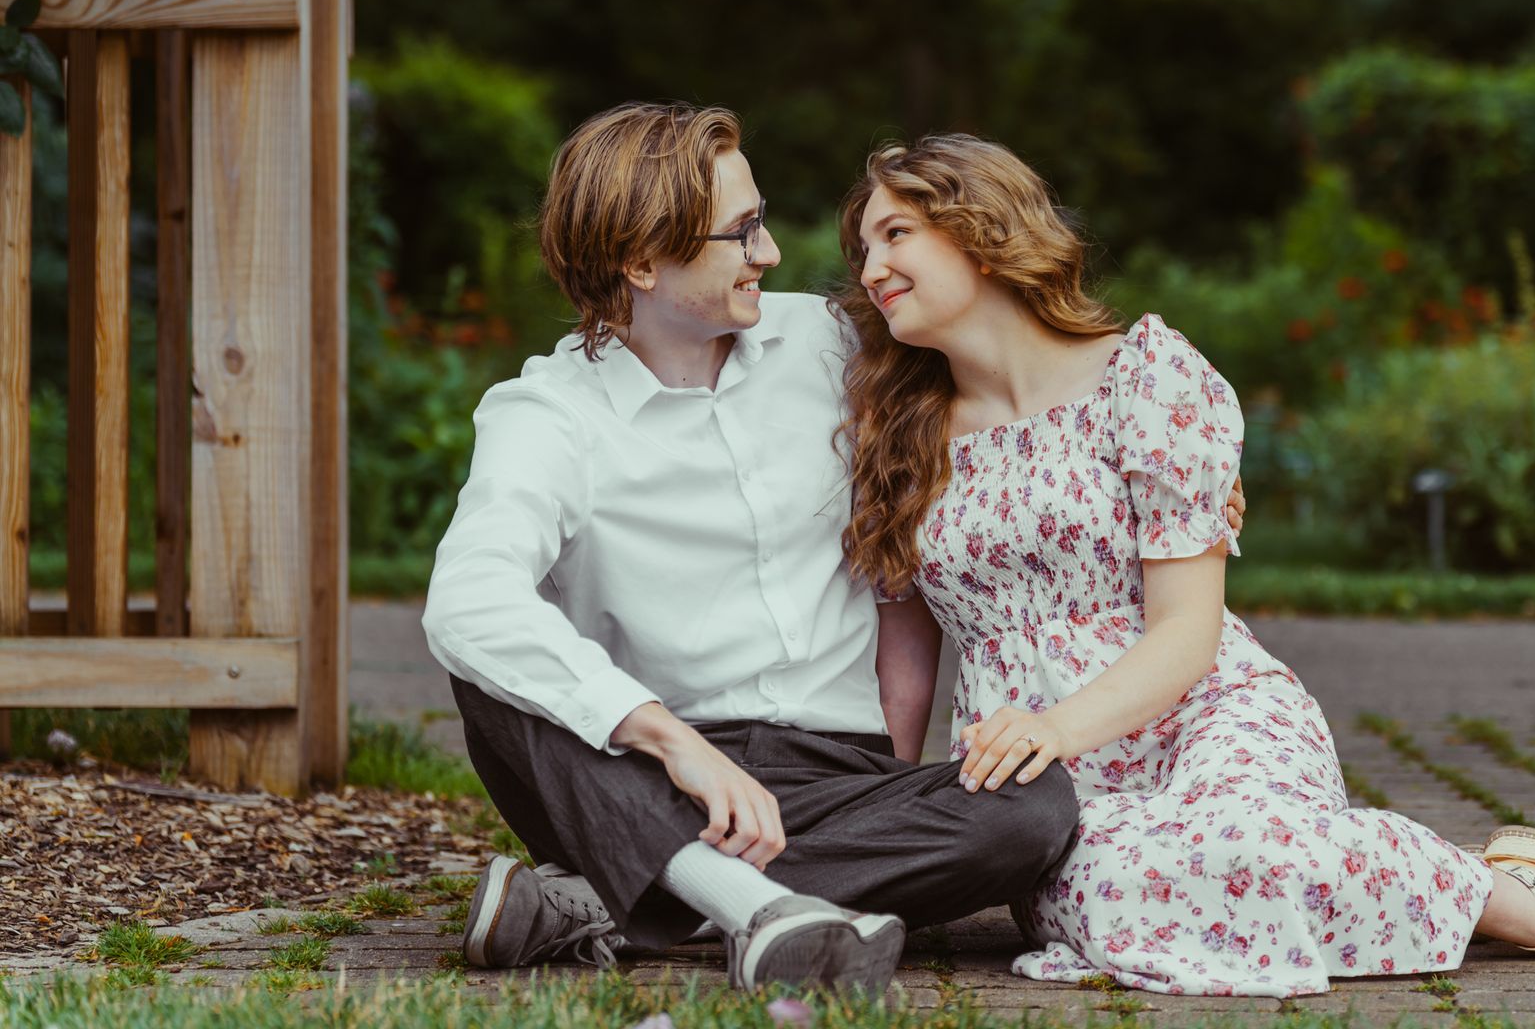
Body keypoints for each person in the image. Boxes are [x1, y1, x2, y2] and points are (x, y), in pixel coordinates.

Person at [834, 134, 1535, 998]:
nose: (871, 268)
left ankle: (1515, 902)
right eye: (863, 247)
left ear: (982, 232)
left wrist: (1058, 724)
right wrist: (891, 836)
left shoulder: (1146, 380)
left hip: (1204, 711)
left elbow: (1189, 631)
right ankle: (1464, 882)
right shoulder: (901, 437)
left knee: (1253, 851)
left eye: (896, 234)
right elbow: (903, 661)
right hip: (1045, 784)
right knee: (1117, 893)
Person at [421, 104, 1094, 991]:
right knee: (489, 666)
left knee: (1030, 811)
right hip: (638, 777)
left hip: (836, 775)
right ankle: (752, 912)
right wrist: (669, 741)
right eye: (740, 234)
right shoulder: (548, 415)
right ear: (641, 260)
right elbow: (467, 600)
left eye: (761, 221)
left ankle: (608, 902)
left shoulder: (828, 342)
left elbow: (996, 369)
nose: (769, 253)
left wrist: (1134, 435)